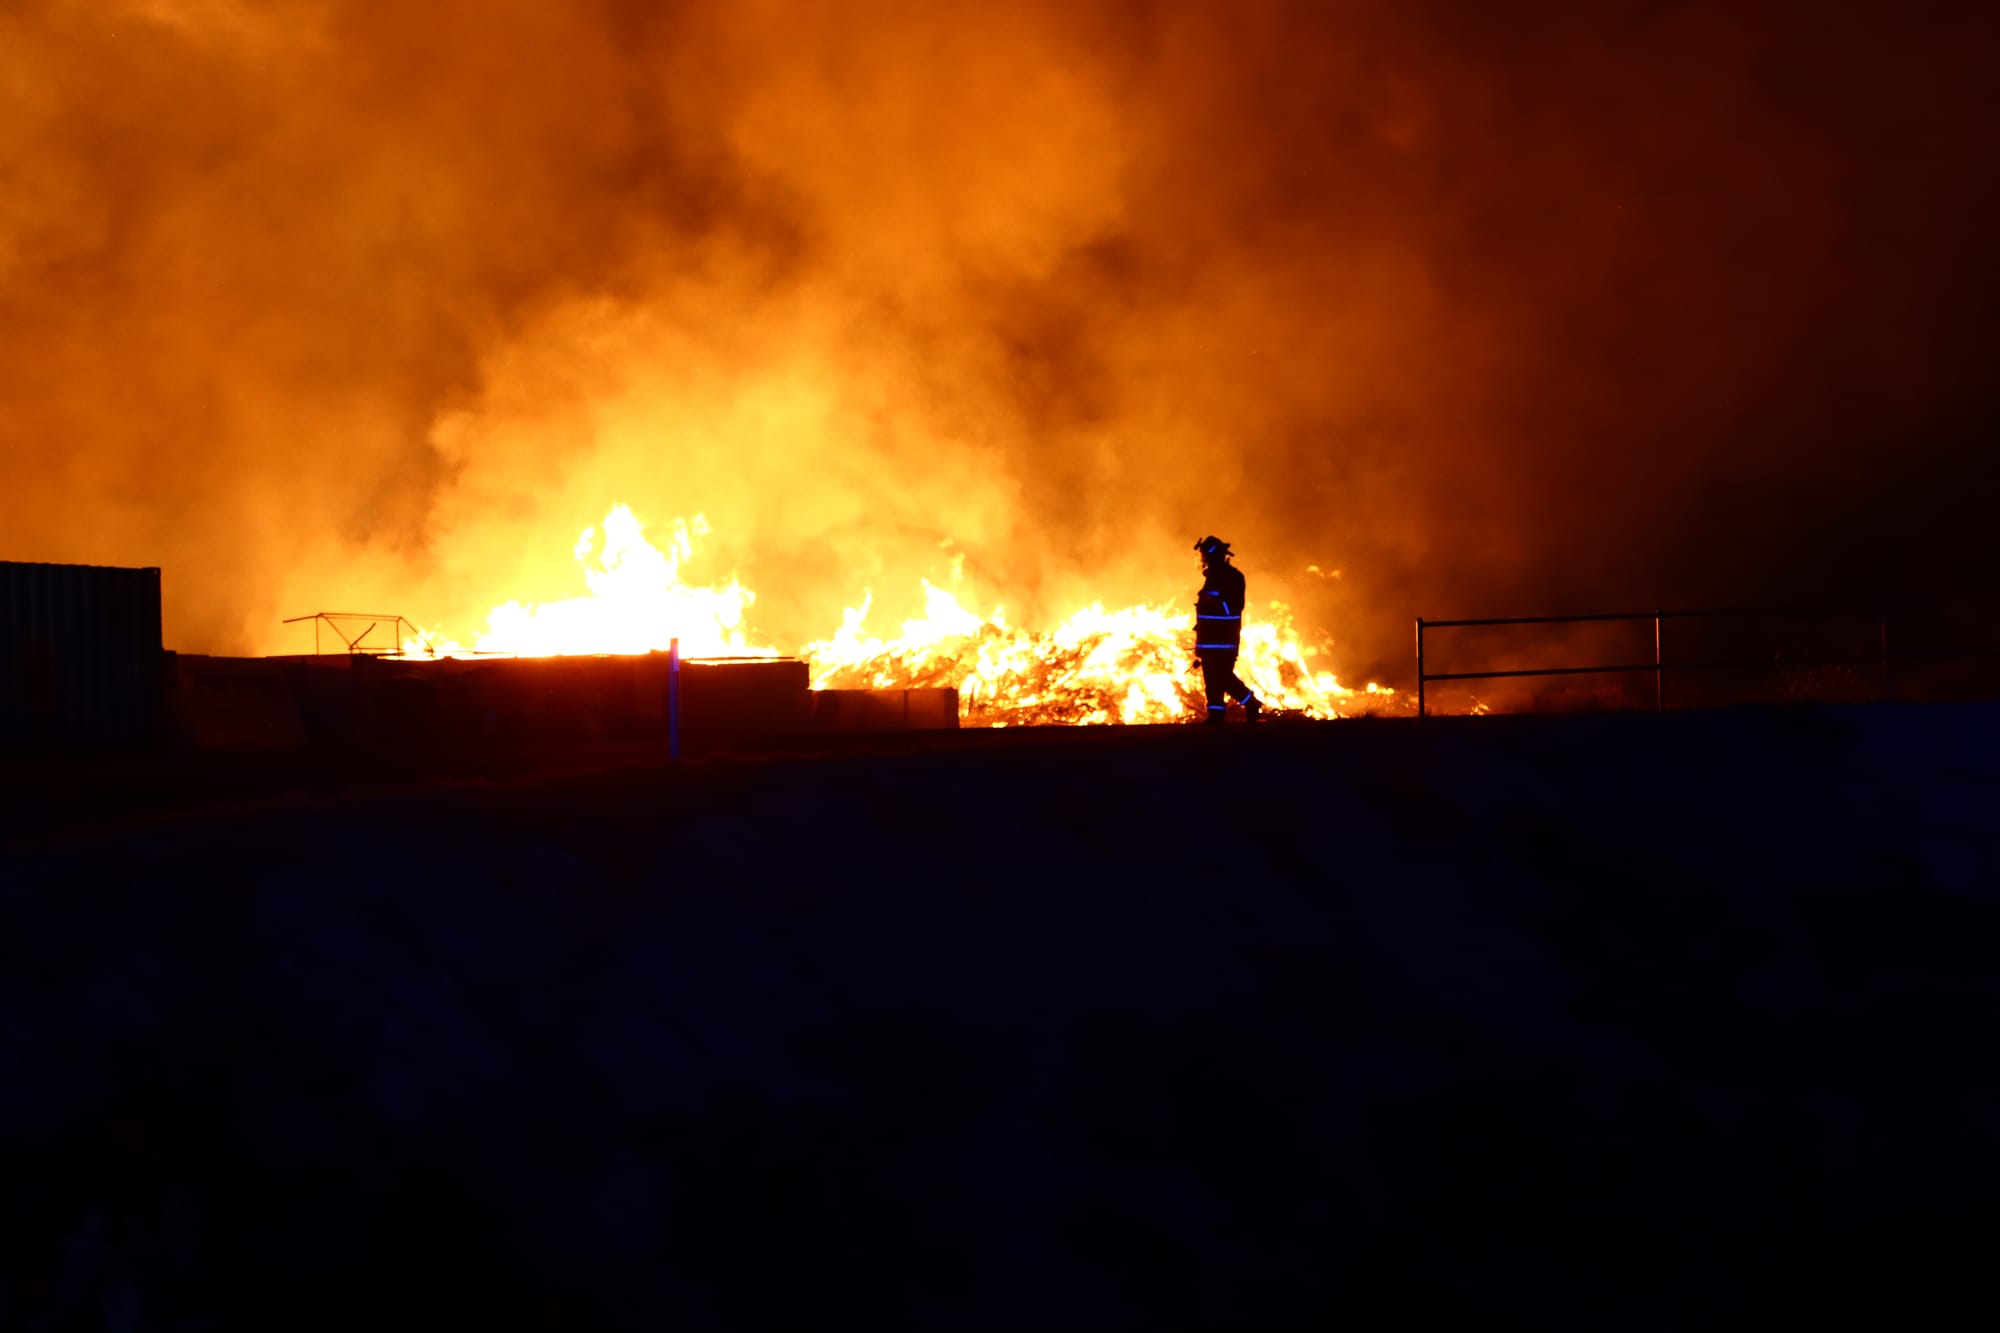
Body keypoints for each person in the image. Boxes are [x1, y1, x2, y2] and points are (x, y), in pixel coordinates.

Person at [1192, 536, 1261, 724]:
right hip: (1208, 640)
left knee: (1223, 678)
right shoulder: (1211, 578)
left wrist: (1215, 603)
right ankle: (1216, 715)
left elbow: (1235, 606)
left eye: (1205, 555)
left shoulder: (1233, 578)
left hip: (1224, 639)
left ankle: (1251, 703)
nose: (1203, 560)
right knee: (1211, 681)